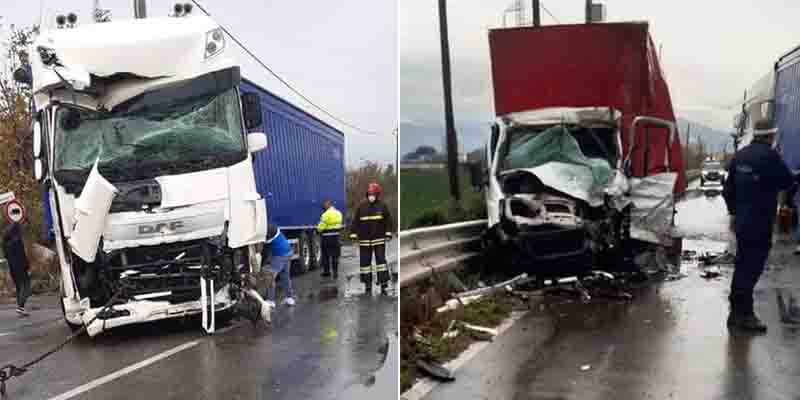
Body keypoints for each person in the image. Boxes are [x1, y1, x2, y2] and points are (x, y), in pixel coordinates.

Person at [722, 119, 794, 332]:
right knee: (752, 268)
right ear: (771, 136)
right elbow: (787, 182)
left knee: (742, 265)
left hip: (742, 221)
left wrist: (734, 213)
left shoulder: (740, 155)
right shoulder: (771, 157)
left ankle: (736, 313)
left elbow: (727, 190)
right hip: (760, 221)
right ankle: (744, 315)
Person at [350, 183, 394, 294]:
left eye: (373, 194)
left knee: (381, 262)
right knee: (365, 263)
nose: (371, 196)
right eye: (370, 194)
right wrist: (353, 234)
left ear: (377, 194)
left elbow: (388, 221)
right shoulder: (361, 206)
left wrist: (388, 233)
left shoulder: (382, 206)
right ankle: (367, 284)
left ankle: (383, 283)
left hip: (378, 239)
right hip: (364, 240)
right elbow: (355, 221)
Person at [2, 209, 31, 316]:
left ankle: (21, 308)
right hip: (21, 266)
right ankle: (21, 306)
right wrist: (27, 266)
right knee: (26, 286)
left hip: (12, 268)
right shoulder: (17, 241)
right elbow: (22, 255)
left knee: (19, 287)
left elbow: (6, 256)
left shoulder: (6, 244)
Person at [262, 224, 296, 307]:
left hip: (280, 254)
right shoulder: (270, 227)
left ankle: (270, 301)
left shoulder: (267, 231)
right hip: (288, 251)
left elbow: (264, 250)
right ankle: (289, 298)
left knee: (269, 275)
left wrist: (263, 264)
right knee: (285, 276)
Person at [317, 200, 343, 279]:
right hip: (336, 238)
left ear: (328, 205)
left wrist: (318, 229)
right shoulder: (338, 213)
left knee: (326, 256)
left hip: (327, 238)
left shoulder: (325, 214)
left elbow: (321, 227)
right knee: (335, 256)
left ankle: (327, 272)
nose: (324, 207)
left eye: (325, 205)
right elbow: (340, 225)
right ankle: (335, 273)